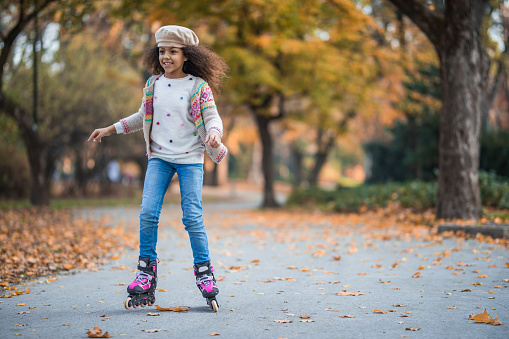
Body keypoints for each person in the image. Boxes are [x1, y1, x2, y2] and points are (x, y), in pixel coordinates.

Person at [88, 25, 228, 311]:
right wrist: (110, 129)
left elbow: (213, 117)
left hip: (190, 159)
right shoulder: (153, 84)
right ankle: (145, 273)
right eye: (162, 51)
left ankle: (204, 272)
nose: (166, 56)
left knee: (192, 217)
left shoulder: (197, 86)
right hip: (160, 158)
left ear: (186, 55)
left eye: (173, 52)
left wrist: (214, 133)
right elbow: (142, 116)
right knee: (148, 212)